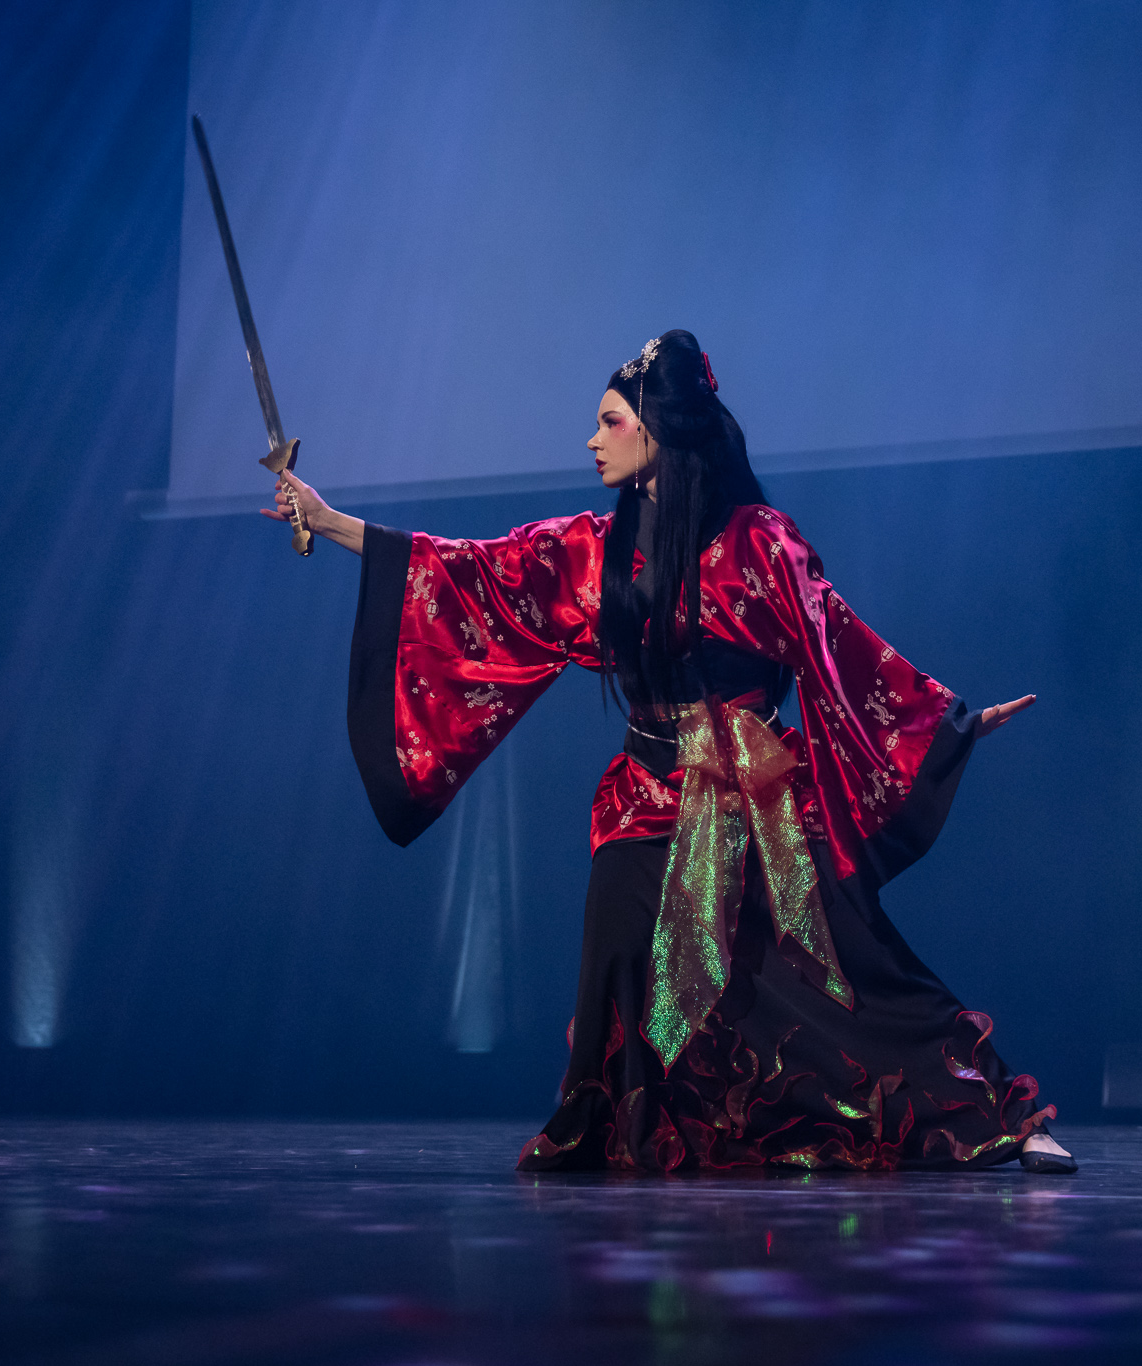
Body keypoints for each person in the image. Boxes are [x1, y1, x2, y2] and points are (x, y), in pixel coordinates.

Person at [264, 331, 1075, 1174]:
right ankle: (626, 1123)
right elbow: (473, 571)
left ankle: (1006, 1116)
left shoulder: (760, 541)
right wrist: (327, 519)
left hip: (757, 792)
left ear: (660, 428)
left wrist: (943, 723)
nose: (592, 439)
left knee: (852, 969)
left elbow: (838, 641)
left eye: (610, 421)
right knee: (620, 952)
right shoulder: (594, 549)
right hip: (645, 791)